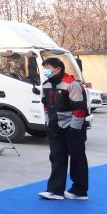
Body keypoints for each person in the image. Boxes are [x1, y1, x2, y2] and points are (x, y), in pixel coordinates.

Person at [38, 57, 89, 200]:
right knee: (56, 157)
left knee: (77, 159)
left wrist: (75, 129)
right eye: (44, 68)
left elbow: (79, 109)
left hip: (73, 129)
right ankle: (55, 191)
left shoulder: (72, 84)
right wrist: (48, 122)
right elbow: (46, 106)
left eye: (48, 68)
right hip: (55, 128)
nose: (45, 71)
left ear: (58, 69)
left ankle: (79, 191)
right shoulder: (46, 85)